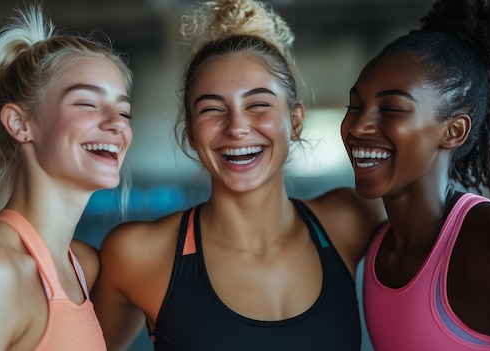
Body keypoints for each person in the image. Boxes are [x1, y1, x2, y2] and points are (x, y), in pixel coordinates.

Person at [91, 0, 385, 350]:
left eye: (258, 105)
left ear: (295, 119)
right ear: (190, 133)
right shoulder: (138, 254)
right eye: (213, 109)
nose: (237, 127)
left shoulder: (351, 219)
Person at [340, 0, 490, 350]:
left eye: (392, 109)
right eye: (355, 105)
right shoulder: (378, 242)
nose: (358, 126)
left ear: (454, 131)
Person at [0, 5, 133, 350]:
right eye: (87, 104)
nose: (116, 123)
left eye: (124, 110)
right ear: (19, 124)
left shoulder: (85, 268)